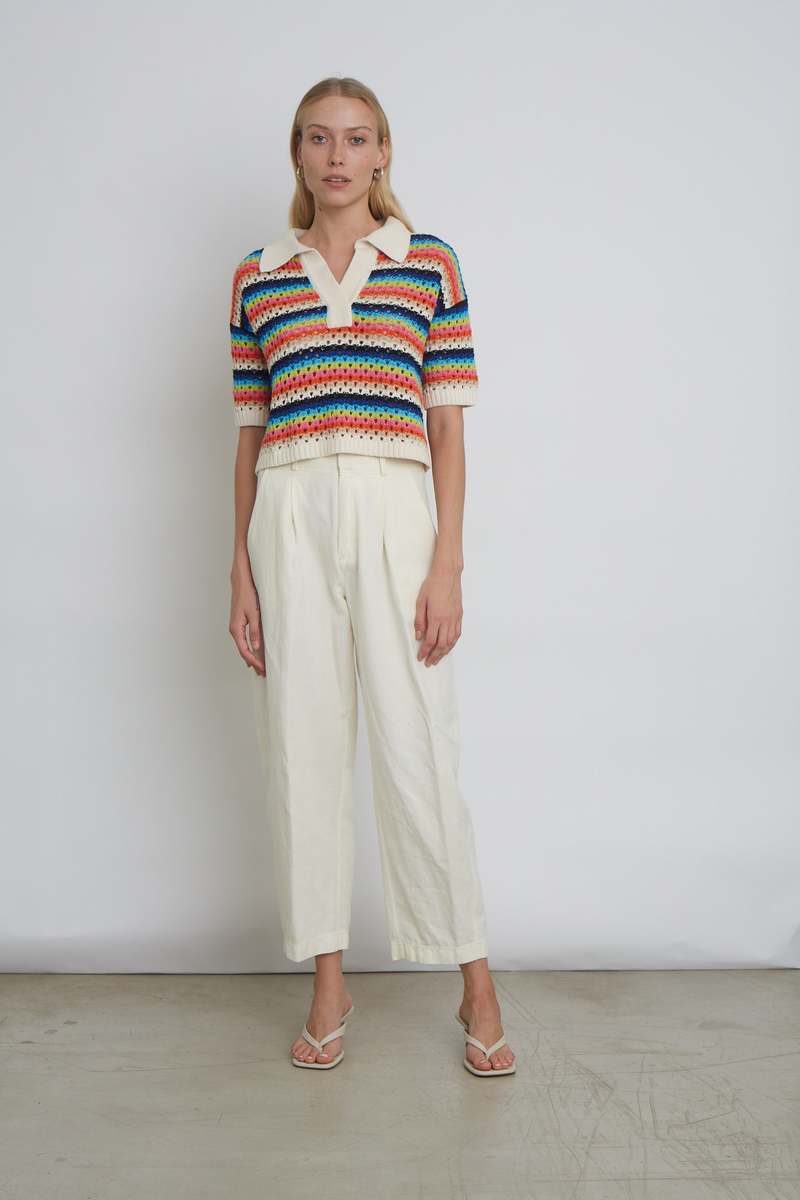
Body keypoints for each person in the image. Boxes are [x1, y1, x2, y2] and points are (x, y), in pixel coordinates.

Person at [228, 76, 515, 1077]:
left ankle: (474, 981)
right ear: (298, 154)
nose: (337, 156)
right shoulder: (257, 276)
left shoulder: (427, 263)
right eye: (319, 139)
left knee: (419, 745)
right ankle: (328, 981)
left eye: (356, 139)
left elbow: (448, 428)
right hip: (289, 510)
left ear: (383, 151)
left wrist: (448, 562)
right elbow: (250, 430)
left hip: (396, 509)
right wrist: (240, 571)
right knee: (301, 747)